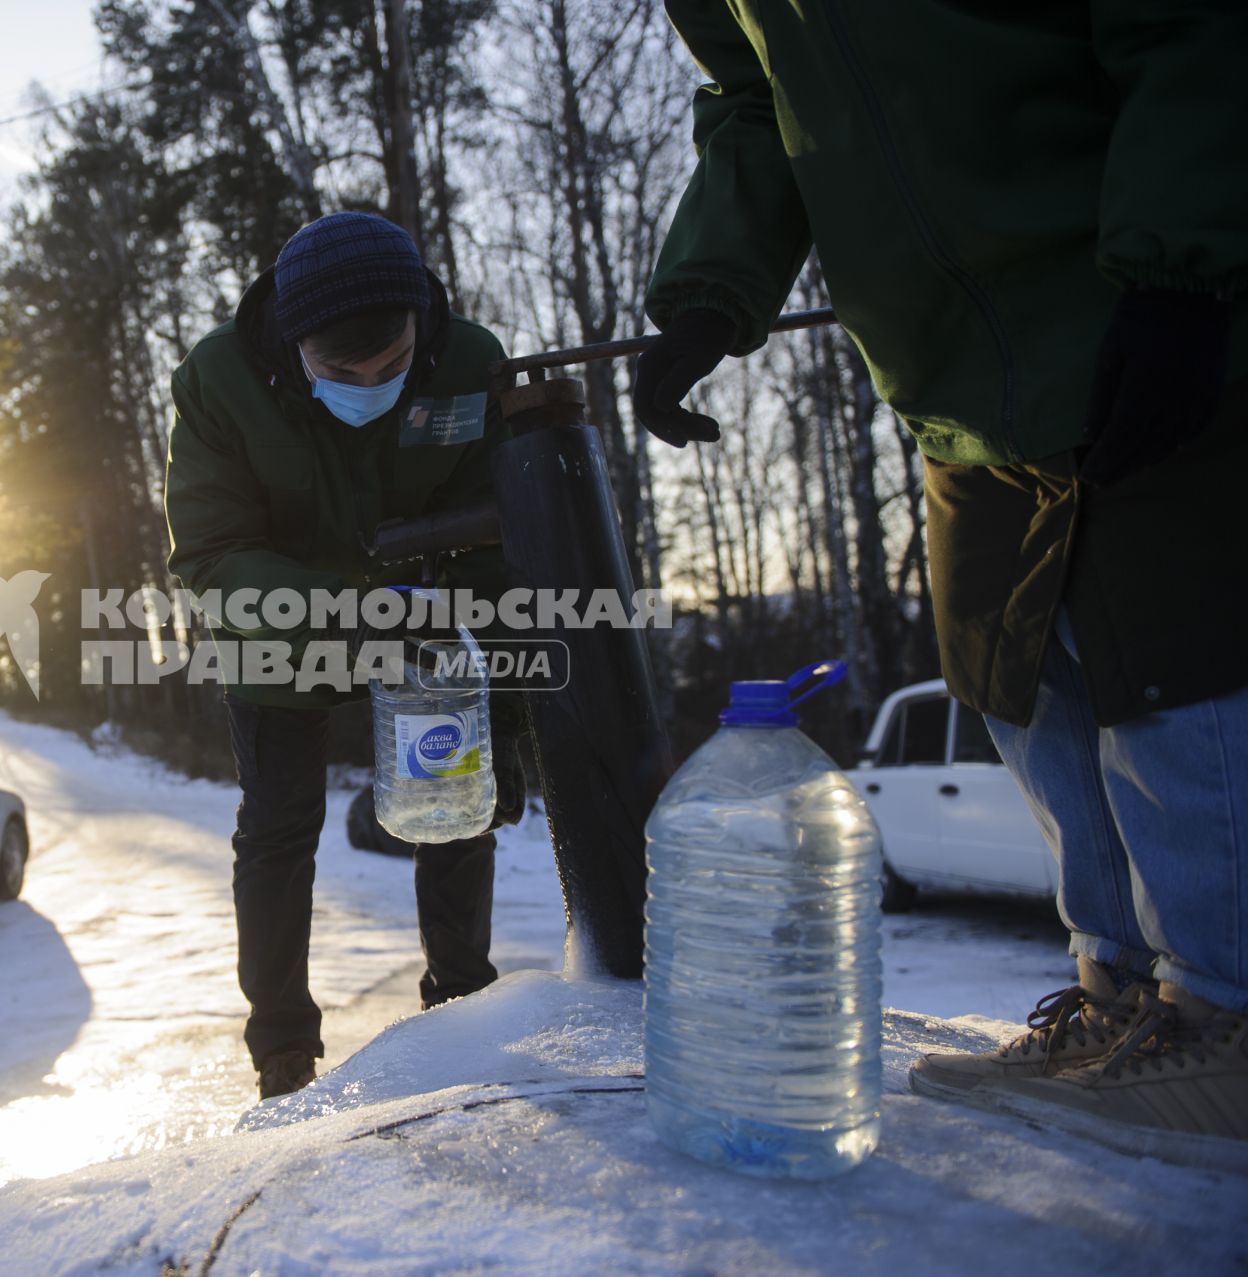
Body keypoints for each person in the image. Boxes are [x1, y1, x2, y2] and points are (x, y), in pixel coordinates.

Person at [634, 4, 1247, 1167]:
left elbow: (1191, 24)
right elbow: (760, 101)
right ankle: (1125, 1002)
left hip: (1137, 302)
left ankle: (1227, 1016)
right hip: (948, 373)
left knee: (1177, 658)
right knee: (1025, 684)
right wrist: (713, 288)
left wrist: (1188, 260)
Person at [165, 211, 525, 1100]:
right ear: (295, 347)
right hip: (281, 630)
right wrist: (355, 612)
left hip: (430, 621)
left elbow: (506, 535)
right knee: (281, 827)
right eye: (342, 372)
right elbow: (211, 556)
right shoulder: (220, 379)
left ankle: (461, 1004)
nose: (372, 384)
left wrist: (500, 706)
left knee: (456, 806)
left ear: (420, 326)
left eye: (392, 365)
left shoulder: (470, 361)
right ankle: (282, 1046)